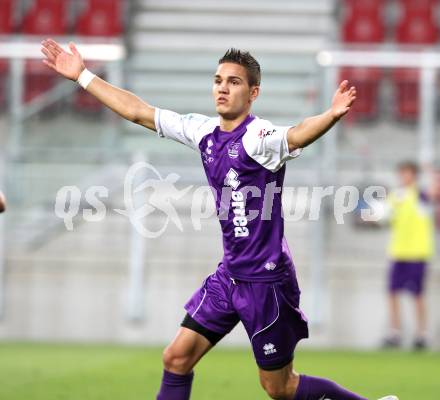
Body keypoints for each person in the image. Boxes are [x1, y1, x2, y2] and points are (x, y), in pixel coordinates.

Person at [41, 38, 398, 400]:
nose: (223, 88)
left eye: (234, 82)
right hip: (230, 276)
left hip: (265, 282)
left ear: (253, 92)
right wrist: (83, 76)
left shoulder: (259, 139)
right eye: (218, 80)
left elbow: (297, 133)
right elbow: (139, 111)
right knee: (176, 358)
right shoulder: (204, 132)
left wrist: (332, 115)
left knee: (279, 388)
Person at [382, 161, 434, 350]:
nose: (404, 177)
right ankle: (394, 333)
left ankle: (422, 334)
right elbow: (383, 215)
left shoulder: (421, 196)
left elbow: (434, 193)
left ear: (414, 175)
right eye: (402, 173)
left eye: (407, 173)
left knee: (417, 294)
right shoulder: (395, 196)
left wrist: (431, 170)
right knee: (392, 293)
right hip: (398, 252)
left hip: (417, 253)